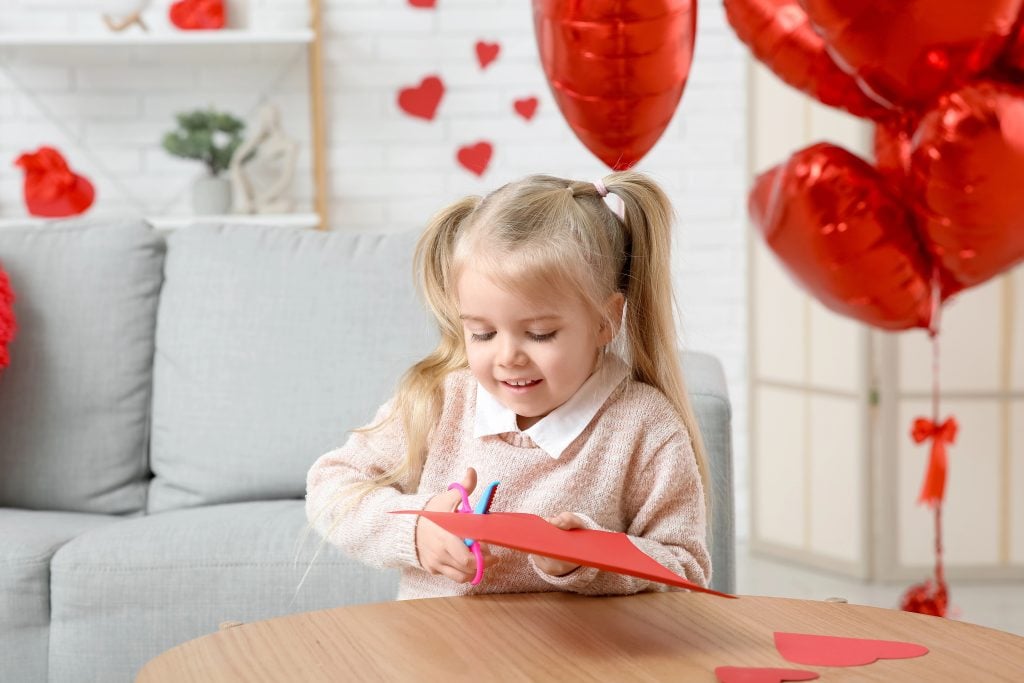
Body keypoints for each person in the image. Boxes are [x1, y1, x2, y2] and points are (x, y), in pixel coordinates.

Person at [305, 171, 711, 600]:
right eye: (482, 333)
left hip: (568, 663)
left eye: (539, 334)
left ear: (604, 321)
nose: (507, 357)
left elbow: (686, 567)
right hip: (435, 655)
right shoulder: (442, 401)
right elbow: (331, 486)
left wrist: (589, 559)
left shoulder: (645, 427)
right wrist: (415, 528)